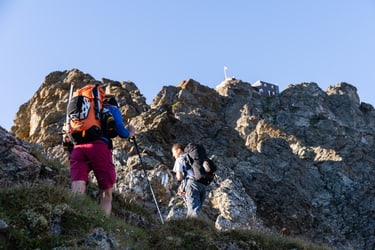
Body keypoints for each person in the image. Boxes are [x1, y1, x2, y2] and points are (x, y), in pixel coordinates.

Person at [69, 95, 135, 216]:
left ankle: (74, 218)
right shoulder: (112, 109)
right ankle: (102, 223)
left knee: (78, 186)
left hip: (77, 148)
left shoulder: (91, 110)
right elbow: (121, 132)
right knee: (106, 193)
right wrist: (130, 132)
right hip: (98, 148)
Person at [171, 143, 206, 217]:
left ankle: (192, 227)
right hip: (202, 184)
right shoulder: (192, 157)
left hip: (192, 184)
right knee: (197, 208)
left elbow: (179, 177)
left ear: (179, 150)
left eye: (173, 153)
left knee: (193, 209)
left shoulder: (179, 160)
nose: (173, 155)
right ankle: (197, 226)